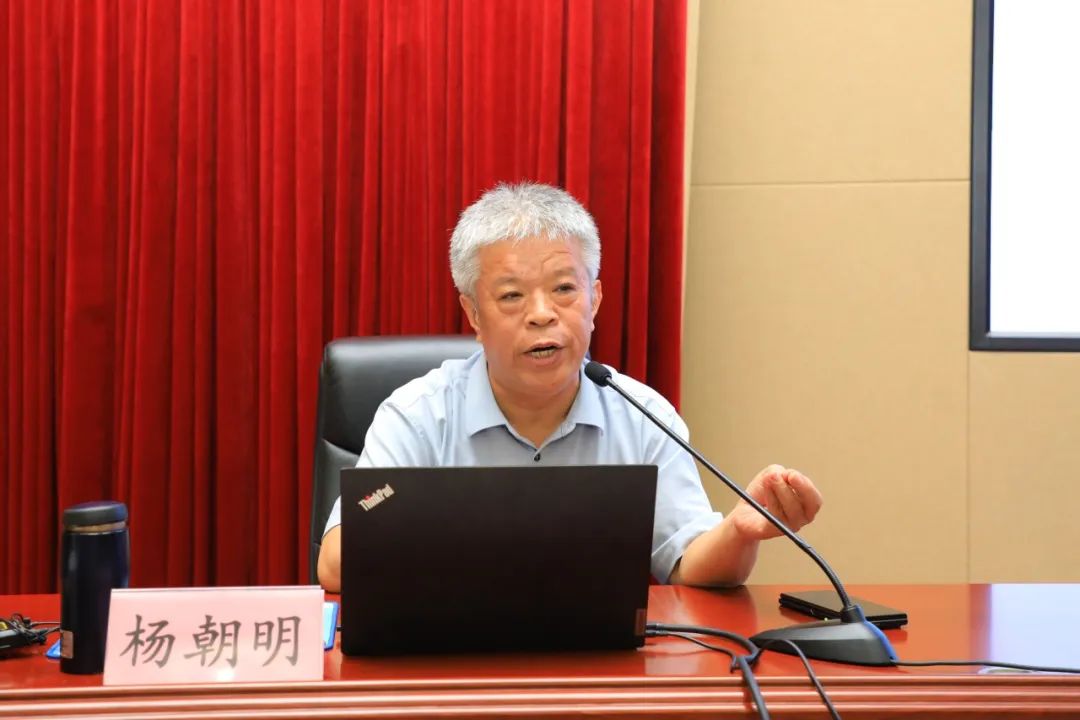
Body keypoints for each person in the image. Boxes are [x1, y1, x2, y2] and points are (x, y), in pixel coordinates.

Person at [317, 182, 822, 592]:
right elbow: (336, 567)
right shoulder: (419, 415)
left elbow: (690, 562)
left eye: (563, 289)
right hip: (453, 665)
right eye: (512, 296)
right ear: (472, 313)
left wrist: (739, 530)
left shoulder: (641, 414)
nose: (542, 314)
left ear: (594, 300)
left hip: (599, 671)